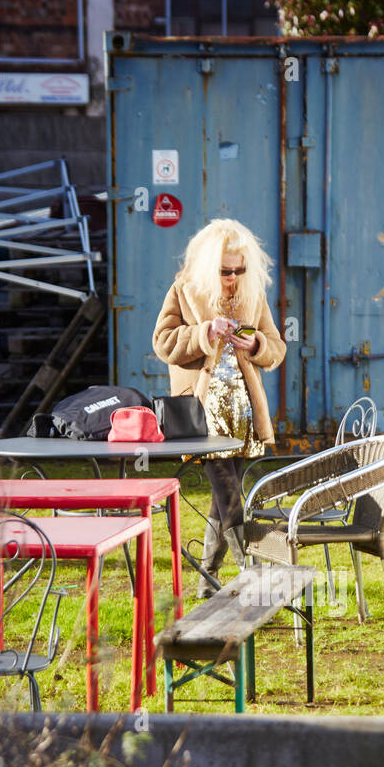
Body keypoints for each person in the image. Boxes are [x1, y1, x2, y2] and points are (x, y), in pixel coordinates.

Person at [152, 218, 286, 596]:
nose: (232, 277)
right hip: (201, 412)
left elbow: (277, 348)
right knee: (229, 495)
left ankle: (207, 582)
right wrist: (204, 332)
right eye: (225, 271)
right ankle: (254, 577)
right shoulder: (185, 290)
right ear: (210, 266)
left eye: (239, 270)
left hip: (242, 414)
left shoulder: (252, 294)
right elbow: (162, 342)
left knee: (222, 498)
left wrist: (256, 344)